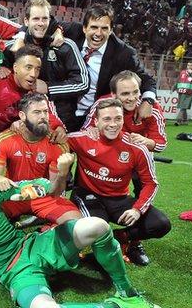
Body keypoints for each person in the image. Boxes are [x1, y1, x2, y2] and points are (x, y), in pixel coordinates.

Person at [0, 162, 162, 308]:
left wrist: (24, 184)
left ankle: (126, 290)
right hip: (15, 272)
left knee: (97, 226)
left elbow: (41, 186)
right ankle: (115, 306)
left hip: (33, 245)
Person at [69, 99, 171, 266]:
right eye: (107, 119)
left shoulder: (137, 147)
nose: (113, 124)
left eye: (118, 119)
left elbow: (150, 183)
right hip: (88, 196)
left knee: (161, 224)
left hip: (118, 199)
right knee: (98, 229)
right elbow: (56, 141)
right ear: (96, 121)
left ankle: (123, 237)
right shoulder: (81, 139)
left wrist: (137, 210)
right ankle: (87, 248)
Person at [0, 45, 66, 181]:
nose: (33, 74)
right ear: (15, 68)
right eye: (28, 67)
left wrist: (59, 127)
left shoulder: (37, 90)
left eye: (37, 69)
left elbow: (50, 114)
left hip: (18, 133)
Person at [0, 93, 81, 225]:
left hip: (43, 196)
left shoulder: (58, 144)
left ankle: (42, 226)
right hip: (13, 194)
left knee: (76, 222)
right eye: (36, 112)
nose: (43, 117)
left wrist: (63, 173)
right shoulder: (5, 138)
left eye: (45, 112)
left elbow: (55, 192)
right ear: (22, 116)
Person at [62, 4, 158, 131]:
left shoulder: (124, 53)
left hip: (96, 119)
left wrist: (148, 101)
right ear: (84, 28)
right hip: (64, 114)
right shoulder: (73, 31)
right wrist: (57, 32)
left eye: (104, 28)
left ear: (111, 30)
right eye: (94, 27)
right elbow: (47, 24)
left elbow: (148, 80)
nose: (98, 33)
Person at [7, 0, 89, 132]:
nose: (41, 23)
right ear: (26, 21)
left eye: (44, 18)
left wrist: (49, 88)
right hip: (22, 119)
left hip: (61, 122)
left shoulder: (66, 45)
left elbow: (83, 83)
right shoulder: (15, 47)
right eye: (36, 19)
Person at [172, 60, 192, 125]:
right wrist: (174, 88)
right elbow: (178, 80)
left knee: (183, 106)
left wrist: (191, 73)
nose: (189, 66)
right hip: (181, 91)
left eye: (191, 65)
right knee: (183, 106)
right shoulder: (183, 72)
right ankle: (185, 120)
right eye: (188, 65)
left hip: (189, 92)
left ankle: (178, 120)